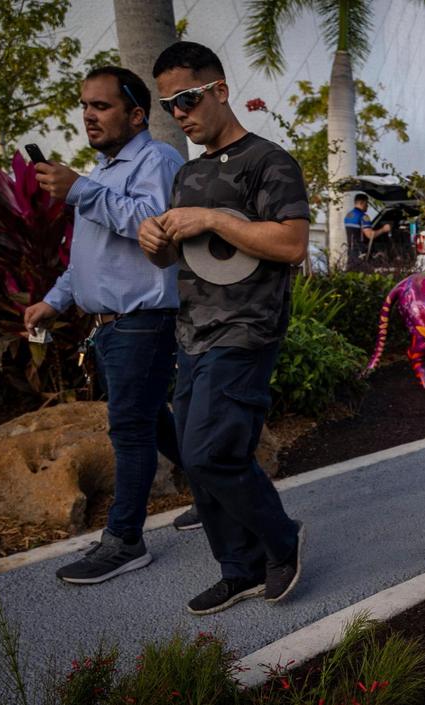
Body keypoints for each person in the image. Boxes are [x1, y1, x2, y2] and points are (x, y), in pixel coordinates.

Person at [138, 41, 306, 616]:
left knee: (212, 452)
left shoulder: (269, 162)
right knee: (195, 454)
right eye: (167, 106)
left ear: (220, 91)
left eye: (185, 99)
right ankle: (239, 569)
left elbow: (292, 242)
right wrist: (155, 244)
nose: (179, 114)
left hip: (247, 329)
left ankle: (282, 541)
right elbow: (179, 262)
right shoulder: (187, 174)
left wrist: (210, 217)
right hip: (193, 332)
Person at [24, 66, 185, 584]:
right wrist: (54, 300)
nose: (89, 115)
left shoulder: (155, 158)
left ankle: (125, 540)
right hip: (113, 325)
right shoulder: (104, 172)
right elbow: (88, 257)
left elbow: (153, 225)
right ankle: (215, 496)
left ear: (136, 114)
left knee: (131, 428)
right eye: (85, 106)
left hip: (143, 320)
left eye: (102, 106)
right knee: (152, 420)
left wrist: (80, 192)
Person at [344, 193, 391, 268]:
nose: (367, 206)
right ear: (361, 203)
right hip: (361, 253)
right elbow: (370, 235)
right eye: (366, 203)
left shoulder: (349, 215)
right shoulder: (363, 217)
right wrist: (383, 229)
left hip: (351, 252)